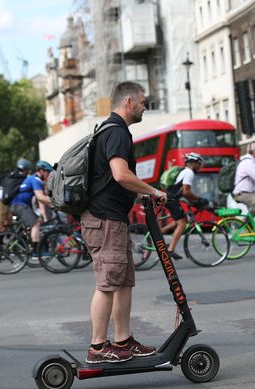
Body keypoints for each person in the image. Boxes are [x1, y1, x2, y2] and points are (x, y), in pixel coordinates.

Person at [80, 81, 167, 364]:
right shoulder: (117, 131)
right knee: (107, 283)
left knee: (123, 282)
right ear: (128, 101)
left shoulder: (112, 130)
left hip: (111, 219)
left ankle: (123, 340)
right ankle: (97, 347)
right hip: (104, 220)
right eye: (142, 102)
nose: (144, 107)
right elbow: (120, 174)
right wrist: (152, 190)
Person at [161, 152, 208, 259]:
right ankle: (170, 249)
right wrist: (199, 199)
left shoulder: (184, 171)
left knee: (177, 221)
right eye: (199, 164)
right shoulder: (189, 173)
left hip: (169, 197)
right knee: (182, 223)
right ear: (194, 163)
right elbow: (186, 192)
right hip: (171, 199)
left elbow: (182, 192)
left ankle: (159, 233)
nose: (200, 167)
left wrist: (193, 202)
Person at [10, 160, 53, 259]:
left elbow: (40, 201)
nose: (49, 174)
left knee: (36, 221)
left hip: (18, 206)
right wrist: (55, 203)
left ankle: (31, 245)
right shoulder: (35, 180)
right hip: (19, 206)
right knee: (35, 223)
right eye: (47, 171)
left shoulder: (33, 179)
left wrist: (45, 212)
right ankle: (36, 252)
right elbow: (40, 197)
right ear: (41, 171)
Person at [0, 159, 33, 236]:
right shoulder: (19, 178)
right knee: (0, 221)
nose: (28, 172)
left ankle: (0, 239)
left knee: (8, 220)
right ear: (25, 170)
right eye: (28, 170)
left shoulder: (13, 175)